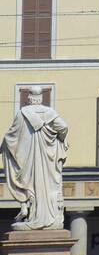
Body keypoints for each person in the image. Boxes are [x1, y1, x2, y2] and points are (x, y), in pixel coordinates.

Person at [1, 89, 69, 229]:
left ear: (29, 98)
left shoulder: (22, 113)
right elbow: (63, 127)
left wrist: (3, 147)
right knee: (46, 187)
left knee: (30, 185)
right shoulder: (49, 113)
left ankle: (32, 214)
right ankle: (46, 218)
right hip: (48, 160)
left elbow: (11, 137)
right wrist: (56, 140)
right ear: (41, 98)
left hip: (29, 161)